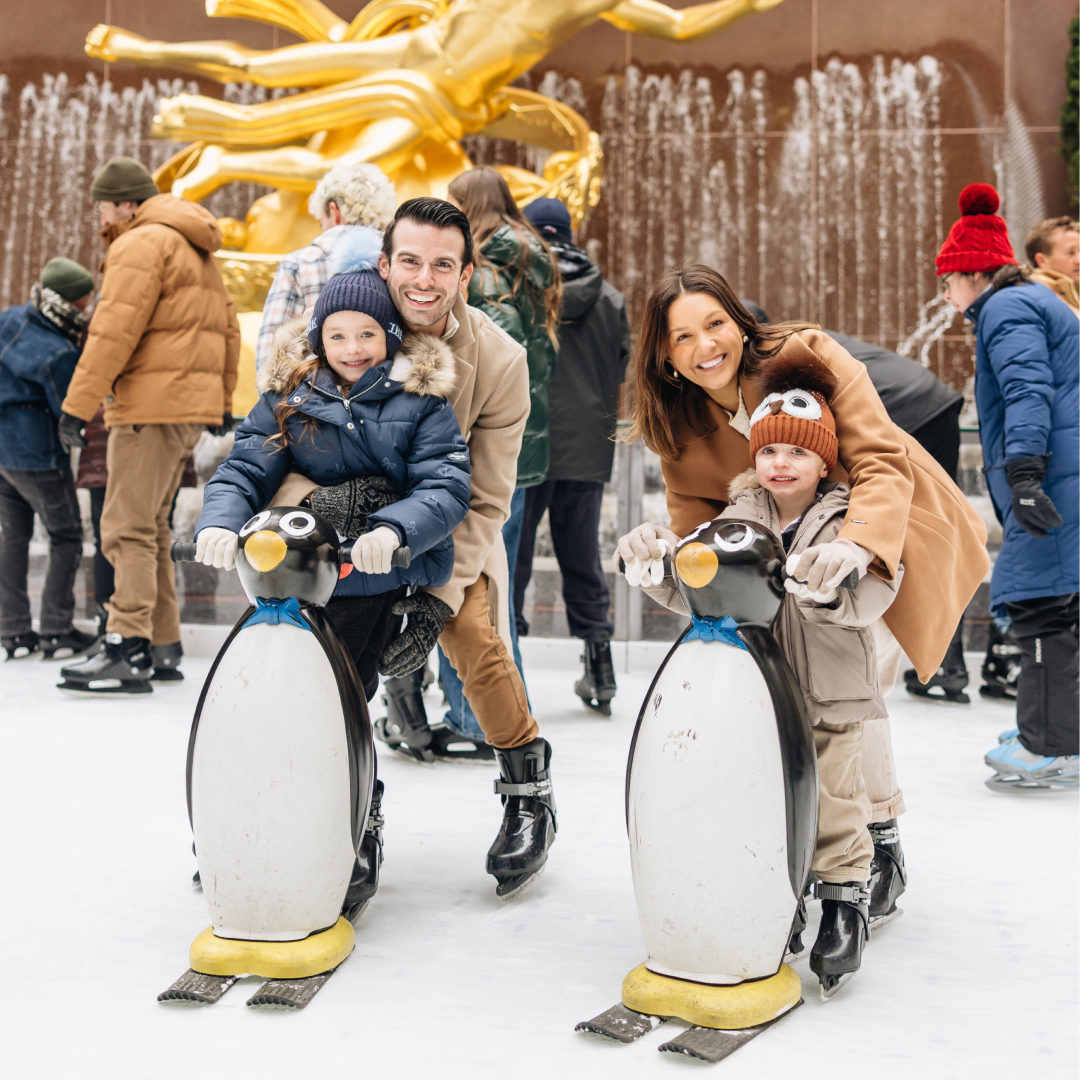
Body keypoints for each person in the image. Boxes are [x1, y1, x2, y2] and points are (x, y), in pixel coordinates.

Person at [614, 264, 988, 926]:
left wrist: (857, 546)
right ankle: (794, 845)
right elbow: (696, 523)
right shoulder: (678, 417)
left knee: (849, 684)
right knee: (783, 694)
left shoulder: (806, 356)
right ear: (664, 354)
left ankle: (880, 843)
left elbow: (877, 459)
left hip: (877, 530)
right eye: (683, 337)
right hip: (775, 562)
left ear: (740, 322)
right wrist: (668, 560)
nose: (705, 346)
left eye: (716, 324)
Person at [273, 197, 558, 897]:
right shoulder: (349, 329)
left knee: (473, 636)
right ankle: (338, 813)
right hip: (342, 530)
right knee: (320, 659)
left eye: (441, 264)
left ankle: (528, 788)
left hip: (445, 529)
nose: (423, 279)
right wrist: (312, 514)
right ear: (385, 263)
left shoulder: (499, 359)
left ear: (465, 275)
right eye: (409, 261)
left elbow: (489, 497)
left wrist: (432, 594)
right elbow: (283, 443)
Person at [194, 231, 471, 913]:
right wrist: (220, 522)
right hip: (293, 580)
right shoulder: (291, 397)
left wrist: (394, 530)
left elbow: (445, 486)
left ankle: (356, 823)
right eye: (339, 336)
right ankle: (254, 824)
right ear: (319, 339)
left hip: (368, 587)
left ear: (390, 338)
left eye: (368, 335)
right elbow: (244, 465)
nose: (353, 350)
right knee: (271, 707)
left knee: (341, 711)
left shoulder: (421, 403)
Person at [629, 353, 901, 992]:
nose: (782, 462)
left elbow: (878, 591)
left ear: (823, 459)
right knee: (766, 801)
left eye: (798, 452)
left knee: (836, 803)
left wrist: (836, 581)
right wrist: (657, 572)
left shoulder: (849, 521)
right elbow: (701, 586)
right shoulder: (732, 522)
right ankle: (780, 896)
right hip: (760, 700)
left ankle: (843, 901)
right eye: (770, 449)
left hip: (832, 693)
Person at [57, 156, 240, 694]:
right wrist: (221, 399)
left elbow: (111, 332)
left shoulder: (139, 243)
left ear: (125, 203)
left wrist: (77, 405)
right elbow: (229, 327)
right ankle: (162, 644)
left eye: (104, 207)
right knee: (153, 528)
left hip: (149, 407)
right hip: (188, 407)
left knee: (125, 528)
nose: (101, 219)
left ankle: (126, 645)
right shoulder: (194, 244)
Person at [937, 183, 1080, 791]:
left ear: (971, 274)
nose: (944, 293)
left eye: (947, 280)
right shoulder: (1024, 300)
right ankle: (1060, 730)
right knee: (1061, 599)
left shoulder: (1006, 307)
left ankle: (1049, 743)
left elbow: (1028, 388)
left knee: (1040, 604)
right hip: (1066, 467)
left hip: (1055, 473)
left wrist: (1023, 471)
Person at [427, 167, 560, 738]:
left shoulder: (488, 276)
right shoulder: (536, 261)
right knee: (492, 596)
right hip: (524, 444)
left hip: (487, 446)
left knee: (471, 596)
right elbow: (546, 359)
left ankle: (474, 720)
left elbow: (486, 352)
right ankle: (487, 716)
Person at [517, 197, 629, 715]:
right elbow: (622, 363)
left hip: (525, 442)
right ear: (568, 233)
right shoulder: (609, 297)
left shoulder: (518, 288)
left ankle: (506, 664)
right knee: (581, 552)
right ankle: (600, 665)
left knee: (511, 554)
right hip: (587, 446)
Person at [0, 258, 98, 660]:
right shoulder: (58, 351)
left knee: (13, 536)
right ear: (67, 305)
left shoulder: (9, 318)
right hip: (37, 454)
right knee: (67, 535)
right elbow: (68, 408)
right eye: (82, 305)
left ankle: (13, 630)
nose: (85, 312)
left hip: (3, 452)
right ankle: (57, 629)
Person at [255, 161, 397, 371]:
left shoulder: (297, 263)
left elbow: (270, 359)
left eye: (321, 222)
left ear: (334, 210)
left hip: (312, 396)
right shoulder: (399, 263)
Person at [1025, 216, 1080, 316]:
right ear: (1042, 260)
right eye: (1070, 253)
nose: (1078, 260)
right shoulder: (1031, 299)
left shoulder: (1067, 294)